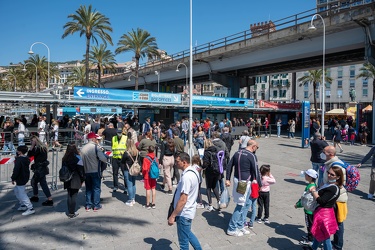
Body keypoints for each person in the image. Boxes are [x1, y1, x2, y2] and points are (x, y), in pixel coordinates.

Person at [225, 140, 261, 236]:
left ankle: (240, 225)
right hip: (244, 183)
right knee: (240, 205)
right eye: (257, 148)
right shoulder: (251, 156)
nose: (256, 150)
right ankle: (232, 228)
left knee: (245, 204)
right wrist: (259, 185)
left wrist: (227, 178)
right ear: (253, 147)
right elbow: (256, 171)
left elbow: (229, 166)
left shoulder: (237, 153)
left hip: (239, 181)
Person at [168, 152, 202, 250]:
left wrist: (173, 216)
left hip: (184, 213)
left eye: (177, 161)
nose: (175, 163)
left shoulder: (187, 176)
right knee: (188, 234)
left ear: (184, 162)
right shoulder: (194, 171)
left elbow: (183, 199)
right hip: (189, 210)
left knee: (183, 244)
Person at [309, 166, 342, 250]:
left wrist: (313, 191)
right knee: (319, 232)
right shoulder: (328, 184)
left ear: (338, 177)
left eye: (332, 174)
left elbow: (321, 201)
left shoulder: (333, 188)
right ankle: (313, 248)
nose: (329, 175)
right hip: (324, 212)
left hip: (324, 214)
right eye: (328, 173)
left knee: (325, 236)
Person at [81, 132, 108, 211]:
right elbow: (103, 159)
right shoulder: (96, 148)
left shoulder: (83, 148)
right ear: (93, 139)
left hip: (86, 170)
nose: (97, 140)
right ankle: (96, 205)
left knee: (88, 188)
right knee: (96, 188)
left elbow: (80, 161)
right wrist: (105, 156)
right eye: (96, 138)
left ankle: (88, 205)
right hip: (95, 170)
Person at [294, 169, 318, 247]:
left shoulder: (310, 187)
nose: (304, 176)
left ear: (310, 177)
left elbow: (305, 199)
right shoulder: (313, 185)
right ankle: (310, 236)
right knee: (311, 224)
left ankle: (310, 239)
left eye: (306, 175)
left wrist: (298, 205)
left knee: (309, 225)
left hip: (309, 210)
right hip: (312, 209)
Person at [28, 136, 53, 206]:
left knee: (42, 183)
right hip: (41, 168)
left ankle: (49, 199)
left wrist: (32, 146)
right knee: (34, 182)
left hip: (40, 169)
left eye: (31, 141)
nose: (31, 142)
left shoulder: (38, 148)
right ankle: (36, 196)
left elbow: (29, 154)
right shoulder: (42, 147)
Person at [62, 143, 85, 218]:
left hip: (67, 178)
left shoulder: (64, 158)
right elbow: (81, 169)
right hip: (76, 178)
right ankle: (72, 212)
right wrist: (83, 178)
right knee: (74, 195)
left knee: (69, 194)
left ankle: (69, 211)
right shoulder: (78, 158)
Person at [11, 145, 35, 216]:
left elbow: (16, 170)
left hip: (20, 177)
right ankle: (23, 204)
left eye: (18, 150)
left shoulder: (19, 160)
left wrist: (13, 178)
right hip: (24, 176)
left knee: (21, 193)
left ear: (20, 152)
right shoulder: (26, 158)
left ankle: (30, 208)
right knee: (17, 191)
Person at [202, 139, 221, 211]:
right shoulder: (217, 150)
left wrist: (202, 167)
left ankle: (210, 204)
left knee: (208, 187)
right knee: (214, 186)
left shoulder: (207, 152)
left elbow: (205, 163)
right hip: (217, 170)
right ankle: (219, 201)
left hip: (209, 171)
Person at [121, 139, 138, 206]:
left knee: (129, 185)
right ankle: (133, 198)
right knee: (133, 184)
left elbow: (122, 162)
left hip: (127, 169)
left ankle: (130, 200)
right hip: (134, 169)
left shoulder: (126, 153)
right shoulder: (136, 152)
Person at [141, 145, 158, 209]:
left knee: (148, 189)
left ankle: (147, 204)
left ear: (148, 150)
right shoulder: (155, 158)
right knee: (153, 188)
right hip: (154, 175)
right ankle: (153, 203)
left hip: (147, 175)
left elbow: (144, 168)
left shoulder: (146, 158)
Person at [111, 128, 127, 193]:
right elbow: (112, 146)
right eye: (118, 132)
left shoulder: (125, 138)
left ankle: (126, 187)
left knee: (125, 173)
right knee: (115, 173)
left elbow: (127, 147)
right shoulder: (113, 138)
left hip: (123, 158)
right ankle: (115, 186)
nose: (119, 134)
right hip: (115, 157)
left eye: (120, 132)